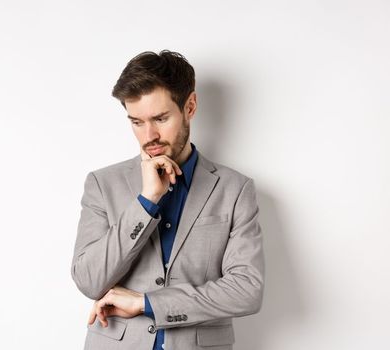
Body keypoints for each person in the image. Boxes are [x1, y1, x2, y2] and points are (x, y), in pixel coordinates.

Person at [70, 50, 264, 350]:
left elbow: (246, 290)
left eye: (160, 118)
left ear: (190, 106)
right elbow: (90, 280)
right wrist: (147, 201)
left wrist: (147, 303)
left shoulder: (235, 189)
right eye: (136, 122)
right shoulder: (102, 184)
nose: (149, 136)